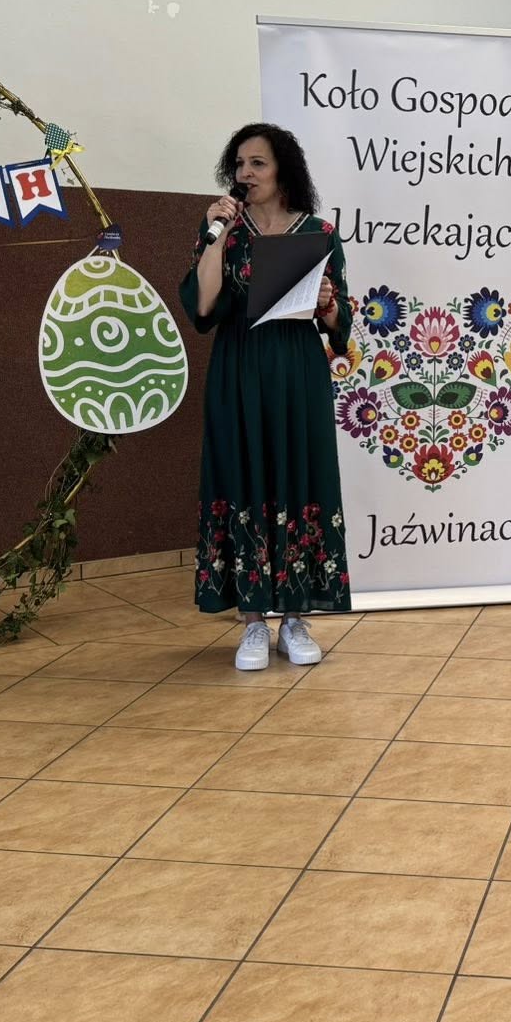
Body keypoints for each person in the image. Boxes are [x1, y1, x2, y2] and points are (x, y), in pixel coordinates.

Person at [182, 122, 351, 671]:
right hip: (239, 365)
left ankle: (295, 619)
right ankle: (253, 621)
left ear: (283, 170)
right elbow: (203, 306)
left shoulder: (319, 232)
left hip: (297, 367)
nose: (246, 173)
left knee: (297, 474)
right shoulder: (224, 228)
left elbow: (339, 320)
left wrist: (327, 303)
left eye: (258, 163)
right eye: (239, 164)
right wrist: (215, 236)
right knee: (241, 474)